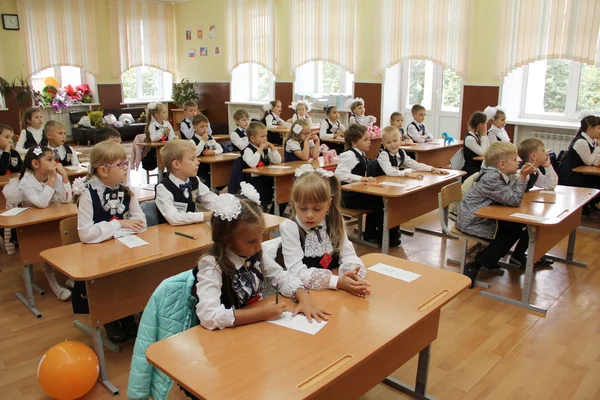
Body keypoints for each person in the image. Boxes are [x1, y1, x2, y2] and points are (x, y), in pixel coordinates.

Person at [195, 188, 330, 330]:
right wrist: (261, 314)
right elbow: (208, 316)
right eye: (251, 241)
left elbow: (281, 276)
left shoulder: (256, 253)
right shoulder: (211, 265)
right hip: (227, 335)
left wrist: (303, 296)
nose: (259, 244)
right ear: (227, 240)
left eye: (261, 236)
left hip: (254, 328)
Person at [72, 140, 146, 342]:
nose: (126, 168)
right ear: (103, 170)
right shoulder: (88, 192)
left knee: (130, 277)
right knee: (108, 282)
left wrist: (128, 226)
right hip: (96, 254)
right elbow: (85, 234)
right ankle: (109, 318)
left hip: (124, 248)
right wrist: (119, 225)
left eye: (126, 163)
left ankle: (127, 313)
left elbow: (140, 221)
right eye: (121, 165)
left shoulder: (125, 188)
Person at [280, 166, 371, 296]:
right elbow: (297, 272)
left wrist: (352, 274)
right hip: (307, 295)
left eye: (317, 209)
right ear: (294, 204)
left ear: (328, 204)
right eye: (303, 208)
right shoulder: (290, 228)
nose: (310, 215)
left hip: (335, 292)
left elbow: (348, 254)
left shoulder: (334, 220)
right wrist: (338, 282)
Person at [456, 142, 537, 287]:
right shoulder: (491, 178)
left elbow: (514, 193)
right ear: (502, 164)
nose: (518, 161)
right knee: (510, 233)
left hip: (486, 215)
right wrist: (523, 176)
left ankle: (511, 257)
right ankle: (475, 265)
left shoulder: (503, 174)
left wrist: (524, 175)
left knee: (522, 226)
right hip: (473, 220)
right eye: (514, 159)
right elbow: (514, 199)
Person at [19, 146, 72, 301]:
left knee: (67, 240)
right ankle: (54, 284)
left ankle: (71, 275)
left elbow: (67, 199)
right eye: (49, 159)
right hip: (34, 224)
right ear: (35, 164)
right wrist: (53, 179)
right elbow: (41, 203)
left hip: (53, 218)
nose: (54, 163)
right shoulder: (26, 182)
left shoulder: (54, 175)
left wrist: (65, 177)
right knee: (42, 247)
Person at [335, 124, 393, 245]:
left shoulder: (361, 153)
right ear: (355, 143)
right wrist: (361, 179)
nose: (369, 142)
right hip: (348, 197)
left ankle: (372, 233)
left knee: (379, 200)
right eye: (365, 140)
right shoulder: (349, 155)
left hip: (357, 193)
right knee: (379, 202)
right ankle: (378, 235)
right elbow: (339, 174)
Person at [155, 139, 217, 225]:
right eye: (192, 159)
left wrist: (223, 207)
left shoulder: (194, 180)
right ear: (176, 164)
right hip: (171, 234)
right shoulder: (163, 188)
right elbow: (174, 218)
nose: (197, 162)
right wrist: (205, 215)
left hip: (191, 230)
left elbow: (210, 199)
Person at [557, 115, 600, 212]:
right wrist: (598, 147)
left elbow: (595, 161)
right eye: (599, 128)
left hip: (580, 174)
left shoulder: (592, 141)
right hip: (572, 176)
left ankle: (590, 204)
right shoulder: (581, 142)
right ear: (590, 128)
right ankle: (585, 205)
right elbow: (589, 162)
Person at [370, 126, 448, 178]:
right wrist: (407, 174)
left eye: (395, 141)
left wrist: (432, 169)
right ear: (383, 144)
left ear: (400, 140)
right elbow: (389, 171)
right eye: (388, 142)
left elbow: (414, 164)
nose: (392, 144)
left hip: (389, 179)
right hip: (377, 179)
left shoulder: (401, 152)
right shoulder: (384, 154)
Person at [242, 121, 282, 212]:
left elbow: (277, 161)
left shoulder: (265, 149)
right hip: (254, 182)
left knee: (279, 190)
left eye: (266, 136)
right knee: (263, 196)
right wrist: (259, 150)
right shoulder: (248, 150)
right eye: (262, 137)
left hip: (266, 178)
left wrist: (273, 149)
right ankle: (261, 212)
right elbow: (252, 164)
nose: (265, 139)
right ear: (252, 139)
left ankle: (272, 212)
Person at [462, 111, 490, 181]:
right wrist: (484, 135)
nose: (486, 127)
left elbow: (488, 149)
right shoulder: (469, 138)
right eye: (485, 124)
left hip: (478, 167)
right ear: (481, 125)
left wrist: (485, 135)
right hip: (472, 170)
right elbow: (483, 152)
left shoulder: (477, 135)